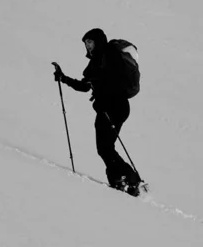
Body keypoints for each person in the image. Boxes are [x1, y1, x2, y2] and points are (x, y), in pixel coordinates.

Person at [53, 28, 143, 193]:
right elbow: (86, 86)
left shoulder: (109, 56)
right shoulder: (97, 61)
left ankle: (130, 180)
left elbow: (111, 80)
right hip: (110, 107)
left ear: (98, 41)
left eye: (90, 42)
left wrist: (103, 93)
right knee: (105, 147)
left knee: (105, 148)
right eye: (86, 43)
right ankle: (122, 180)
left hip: (114, 106)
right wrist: (63, 78)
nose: (87, 46)